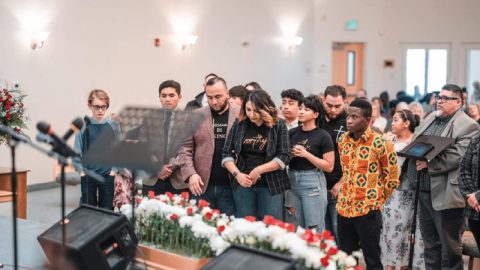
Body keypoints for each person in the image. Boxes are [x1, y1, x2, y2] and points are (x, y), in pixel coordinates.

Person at [406, 84, 480, 270]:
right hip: (423, 191)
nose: (439, 101)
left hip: (446, 193)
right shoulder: (432, 117)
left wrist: (430, 164)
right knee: (430, 244)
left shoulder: (468, 125)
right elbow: (417, 140)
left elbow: (459, 155)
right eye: (439, 97)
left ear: (458, 102)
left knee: (449, 247)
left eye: (445, 98)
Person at [336, 98, 399, 270]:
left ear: (368, 120)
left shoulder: (382, 143)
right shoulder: (342, 141)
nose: (349, 120)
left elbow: (392, 179)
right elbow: (346, 172)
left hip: (367, 210)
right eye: (348, 116)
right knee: (346, 260)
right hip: (344, 207)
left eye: (354, 117)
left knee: (372, 259)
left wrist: (375, 202)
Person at [222, 90, 291, 220]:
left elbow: (285, 155)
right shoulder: (239, 124)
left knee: (272, 228)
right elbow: (226, 153)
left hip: (271, 186)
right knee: (246, 228)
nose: (251, 115)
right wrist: (237, 174)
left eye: (256, 111)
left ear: (265, 108)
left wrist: (259, 170)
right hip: (243, 185)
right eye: (248, 110)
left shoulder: (278, 125)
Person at [178, 77, 239, 216]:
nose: (214, 102)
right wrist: (191, 174)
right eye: (210, 97)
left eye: (218, 96)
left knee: (229, 230)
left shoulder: (241, 114)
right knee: (201, 231)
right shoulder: (195, 116)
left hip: (232, 185)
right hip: (201, 185)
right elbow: (184, 149)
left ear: (227, 93)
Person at [380, 109, 425, 270]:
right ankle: (390, 265)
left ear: (407, 124)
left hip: (410, 193)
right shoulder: (389, 141)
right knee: (391, 230)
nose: (392, 123)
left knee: (408, 232)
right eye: (392, 120)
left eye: (396, 120)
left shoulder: (416, 142)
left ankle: (405, 265)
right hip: (391, 194)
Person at [286, 95, 334, 230]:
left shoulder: (323, 135)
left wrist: (306, 154)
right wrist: (289, 155)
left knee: (314, 228)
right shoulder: (292, 133)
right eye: (300, 108)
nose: (301, 112)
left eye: (306, 109)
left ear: (316, 114)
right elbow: (284, 159)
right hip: (292, 180)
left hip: (312, 181)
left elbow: (329, 166)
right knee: (295, 228)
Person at [74, 89, 122, 210]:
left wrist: (114, 171)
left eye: (103, 107)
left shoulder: (113, 125)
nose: (100, 110)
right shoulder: (83, 126)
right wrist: (81, 171)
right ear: (89, 105)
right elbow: (77, 150)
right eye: (96, 107)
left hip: (107, 175)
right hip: (88, 173)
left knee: (106, 210)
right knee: (88, 210)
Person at [141, 80, 188, 196]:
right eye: (164, 96)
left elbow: (187, 148)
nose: (167, 99)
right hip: (152, 179)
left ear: (179, 97)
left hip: (178, 180)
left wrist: (170, 167)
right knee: (149, 214)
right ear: (159, 97)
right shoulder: (149, 118)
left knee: (177, 214)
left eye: (171, 95)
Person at [321, 85, 348, 240]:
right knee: (325, 234)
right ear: (323, 101)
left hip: (340, 186)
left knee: (340, 232)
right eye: (329, 105)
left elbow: (355, 158)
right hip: (320, 185)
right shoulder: (318, 120)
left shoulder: (350, 122)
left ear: (345, 102)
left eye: (337, 106)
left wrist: (341, 181)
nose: (332, 110)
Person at [459, 134, 480, 248]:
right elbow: (463, 170)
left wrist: (478, 196)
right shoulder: (476, 140)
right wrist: (471, 197)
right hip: (475, 210)